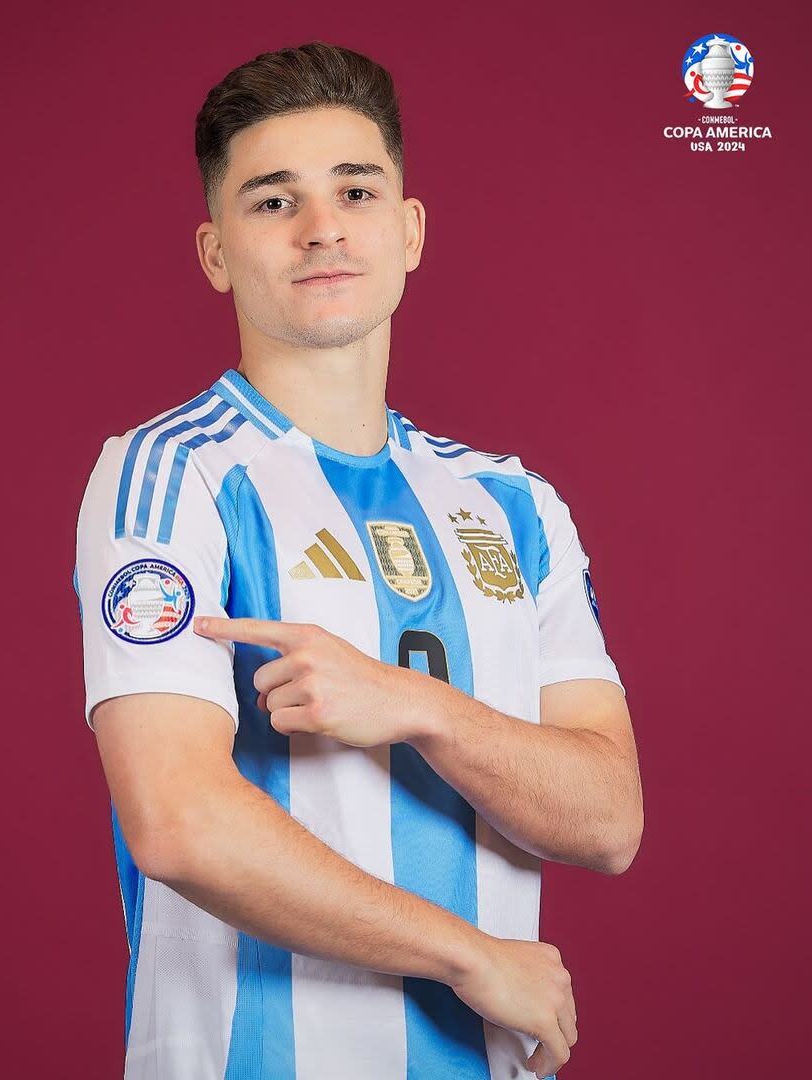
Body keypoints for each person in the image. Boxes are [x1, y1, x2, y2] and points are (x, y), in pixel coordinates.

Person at [72, 40, 643, 1080]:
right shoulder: (169, 474)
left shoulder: (512, 504)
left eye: (355, 190)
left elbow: (608, 821)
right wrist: (467, 956)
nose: (323, 227)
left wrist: (415, 705)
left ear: (408, 230)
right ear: (215, 252)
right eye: (273, 200)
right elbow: (178, 822)